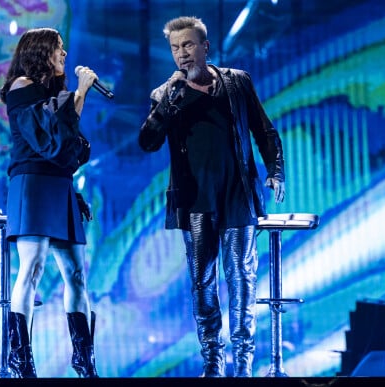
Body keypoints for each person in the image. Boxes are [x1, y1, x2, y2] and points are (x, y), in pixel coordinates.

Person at [139, 16, 285, 377]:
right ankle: (213, 357)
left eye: (188, 45)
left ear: (205, 46)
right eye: (175, 48)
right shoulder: (165, 94)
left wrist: (276, 170)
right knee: (202, 279)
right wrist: (168, 103)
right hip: (196, 201)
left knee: (241, 276)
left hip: (238, 194)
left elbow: (264, 131)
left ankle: (244, 359)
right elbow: (148, 141)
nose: (182, 54)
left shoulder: (236, 82)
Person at [0, 27, 99, 378]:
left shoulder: (57, 93)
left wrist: (76, 96)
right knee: (34, 268)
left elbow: (71, 146)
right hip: (32, 182)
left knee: (75, 273)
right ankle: (21, 360)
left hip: (60, 185)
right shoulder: (21, 89)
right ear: (42, 52)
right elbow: (48, 138)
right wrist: (80, 93)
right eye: (59, 48)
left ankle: (84, 359)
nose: (65, 55)